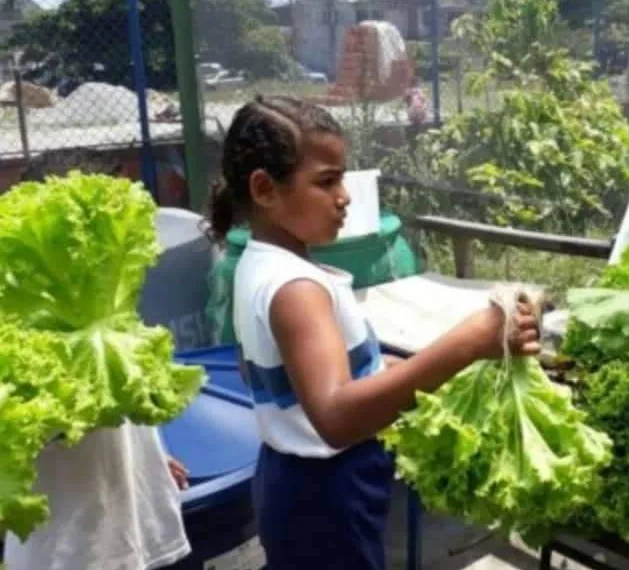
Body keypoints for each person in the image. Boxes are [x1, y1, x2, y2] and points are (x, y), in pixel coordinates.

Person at [204, 94, 541, 570]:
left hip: (294, 481)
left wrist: (382, 369)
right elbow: (336, 418)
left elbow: (263, 371)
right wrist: (467, 343)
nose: (345, 196)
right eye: (327, 181)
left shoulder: (259, 264)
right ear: (264, 189)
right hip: (325, 492)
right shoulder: (297, 288)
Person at [3, 148, 191, 570]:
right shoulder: (14, 336)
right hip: (72, 554)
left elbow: (116, 407)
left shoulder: (102, 311)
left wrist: (152, 458)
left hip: (142, 528)